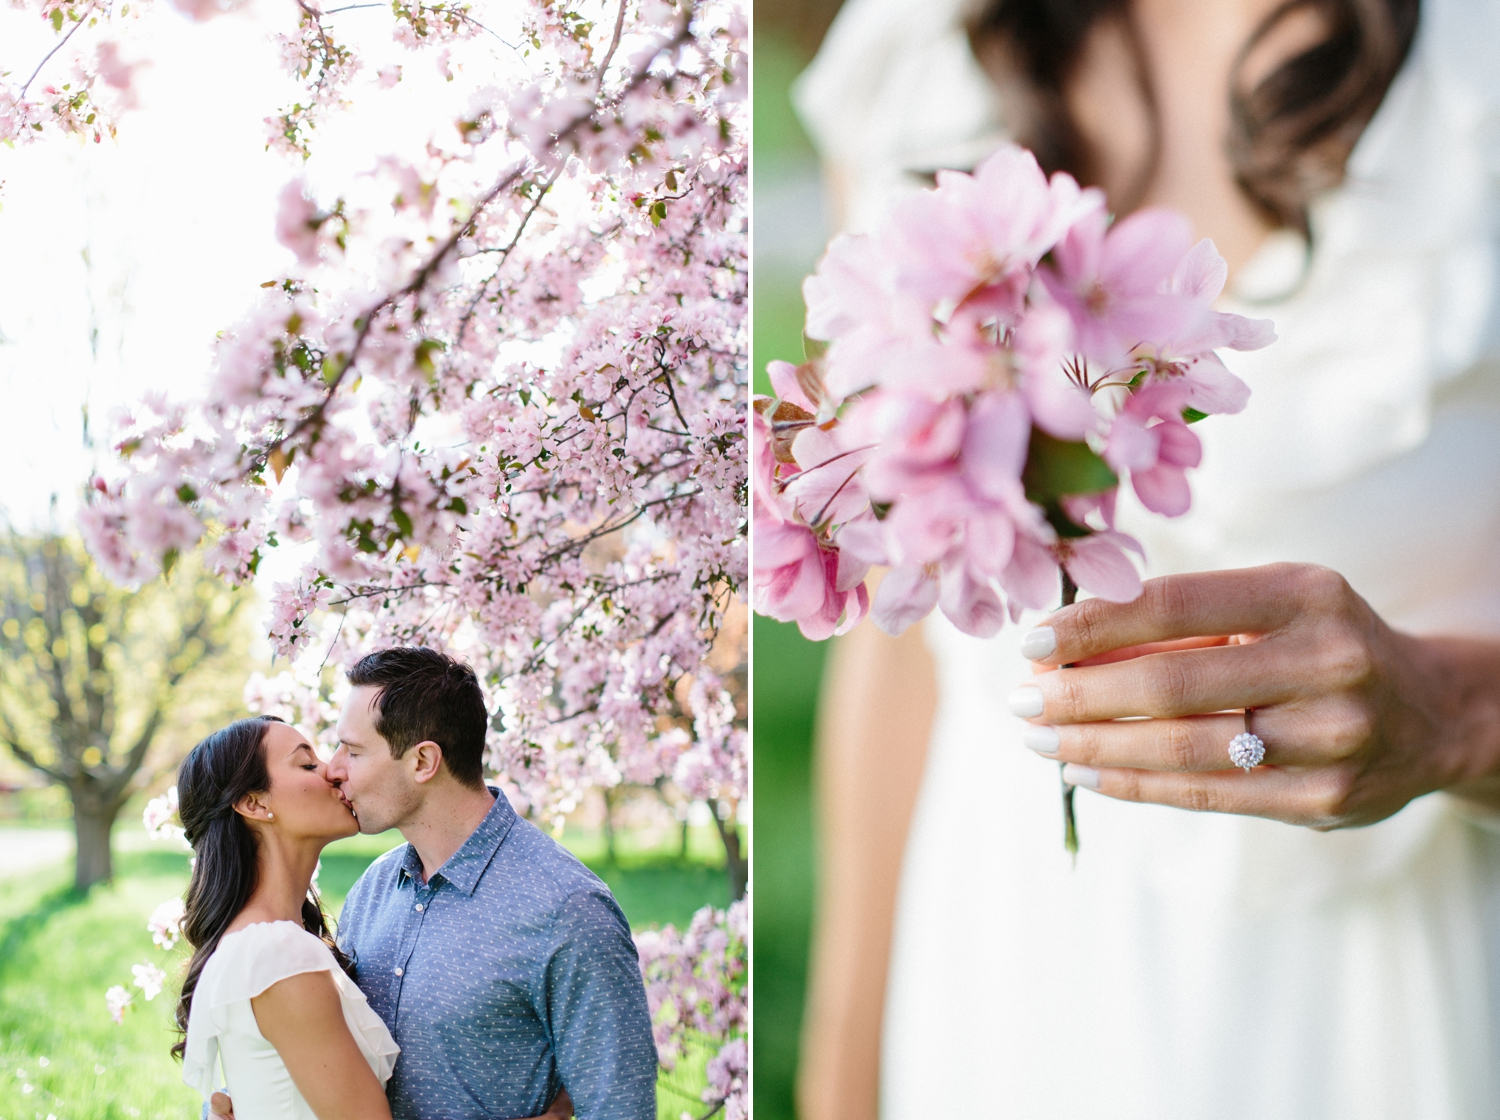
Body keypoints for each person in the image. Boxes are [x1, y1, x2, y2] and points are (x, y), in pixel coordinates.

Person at [790, 0, 1500, 1117]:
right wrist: (839, 1075)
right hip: (1003, 964)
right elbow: (903, 640)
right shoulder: (913, 53)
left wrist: (1460, 717)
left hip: (1377, 1001)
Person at [198, 647, 658, 1120]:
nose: (334, 770)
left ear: (422, 762)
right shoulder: (375, 889)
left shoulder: (566, 911)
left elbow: (623, 1110)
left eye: (353, 751)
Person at [175, 714, 401, 1120]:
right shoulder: (279, 954)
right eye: (307, 764)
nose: (332, 771)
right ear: (255, 803)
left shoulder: (258, 943)